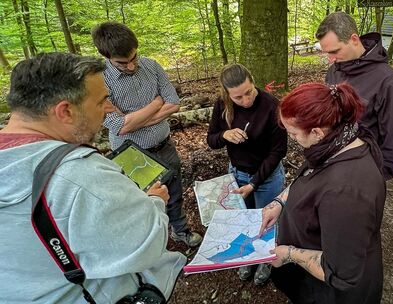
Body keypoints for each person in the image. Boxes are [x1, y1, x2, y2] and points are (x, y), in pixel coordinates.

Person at [0, 53, 185, 302]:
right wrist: (155, 201)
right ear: (65, 111)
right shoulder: (81, 175)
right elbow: (147, 246)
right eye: (101, 102)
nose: (109, 108)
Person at [260, 83, 386, 304]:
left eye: (293, 133)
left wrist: (289, 254)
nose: (293, 139)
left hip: (330, 294)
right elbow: (309, 177)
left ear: (317, 132)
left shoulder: (345, 193)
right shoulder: (339, 142)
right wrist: (279, 202)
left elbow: (340, 273)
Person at [91, 21, 202, 247]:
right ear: (106, 56)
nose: (131, 66)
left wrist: (133, 119)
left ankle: (179, 230)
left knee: (174, 192)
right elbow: (119, 126)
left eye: (134, 58)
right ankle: (150, 243)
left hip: (164, 145)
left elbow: (173, 103)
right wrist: (155, 104)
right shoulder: (99, 82)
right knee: (141, 200)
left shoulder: (151, 66)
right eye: (123, 63)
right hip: (132, 155)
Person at [207, 63, 288, 285]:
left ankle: (265, 258)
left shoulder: (271, 106)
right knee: (243, 217)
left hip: (267, 177)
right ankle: (247, 255)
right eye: (238, 97)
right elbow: (211, 140)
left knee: (267, 219)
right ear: (227, 94)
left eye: (249, 92)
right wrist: (225, 135)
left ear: (253, 82)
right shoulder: (222, 105)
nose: (246, 100)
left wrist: (254, 183)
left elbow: (279, 151)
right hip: (237, 173)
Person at [316, 11, 393, 180]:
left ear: (354, 39)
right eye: (327, 53)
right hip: (332, 161)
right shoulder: (334, 71)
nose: (330, 59)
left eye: (335, 51)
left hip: (364, 170)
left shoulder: (388, 82)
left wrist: (376, 177)